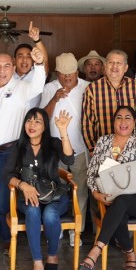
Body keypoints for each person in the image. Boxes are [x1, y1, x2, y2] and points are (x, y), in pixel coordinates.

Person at [79, 102, 136, 270]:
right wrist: (96, 194)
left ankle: (95, 251)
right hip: (111, 199)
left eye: (128, 118)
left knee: (120, 203)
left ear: (134, 123)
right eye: (119, 117)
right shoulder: (103, 141)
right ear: (113, 122)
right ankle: (129, 253)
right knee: (118, 207)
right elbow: (91, 173)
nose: (123, 121)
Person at [0, 43, 46, 247]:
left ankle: (10, 236)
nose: (1, 70)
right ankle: (2, 232)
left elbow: (38, 85)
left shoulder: (21, 88)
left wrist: (40, 63)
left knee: (2, 199)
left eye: (6, 66)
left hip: (9, 152)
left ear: (14, 68)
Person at [4, 108, 74, 270]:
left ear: (45, 126)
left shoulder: (53, 143)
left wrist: (64, 132)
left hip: (54, 195)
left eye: (38, 122)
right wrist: (23, 185)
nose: (32, 125)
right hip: (28, 198)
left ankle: (52, 255)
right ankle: (37, 262)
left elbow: (69, 159)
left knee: (50, 214)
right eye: (29, 120)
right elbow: (7, 175)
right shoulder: (18, 147)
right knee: (34, 212)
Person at [41, 52, 89, 248]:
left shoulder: (87, 87)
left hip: (80, 149)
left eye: (71, 74)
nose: (68, 78)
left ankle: (77, 231)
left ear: (77, 72)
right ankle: (57, 227)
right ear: (56, 73)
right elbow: (42, 117)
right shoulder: (50, 88)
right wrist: (54, 99)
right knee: (56, 191)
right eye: (63, 75)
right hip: (55, 150)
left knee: (81, 192)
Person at [83, 49, 136, 153]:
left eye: (119, 63)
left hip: (131, 148)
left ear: (125, 68)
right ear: (105, 66)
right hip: (103, 149)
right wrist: (92, 148)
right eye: (111, 62)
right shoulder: (92, 89)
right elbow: (87, 122)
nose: (114, 66)